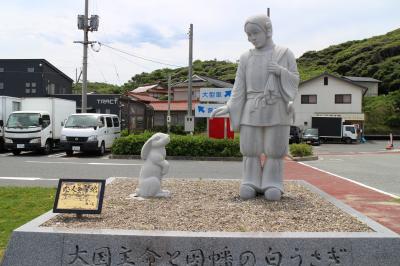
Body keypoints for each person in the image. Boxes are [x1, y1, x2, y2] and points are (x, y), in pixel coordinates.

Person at [211, 14, 299, 200]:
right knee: (250, 148)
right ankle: (250, 180)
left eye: (255, 33)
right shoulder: (245, 57)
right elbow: (239, 86)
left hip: (276, 105)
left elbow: (294, 79)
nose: (251, 38)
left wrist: (280, 72)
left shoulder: (285, 53)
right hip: (251, 107)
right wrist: (229, 106)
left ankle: (273, 182)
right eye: (248, 34)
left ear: (267, 30)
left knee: (274, 149)